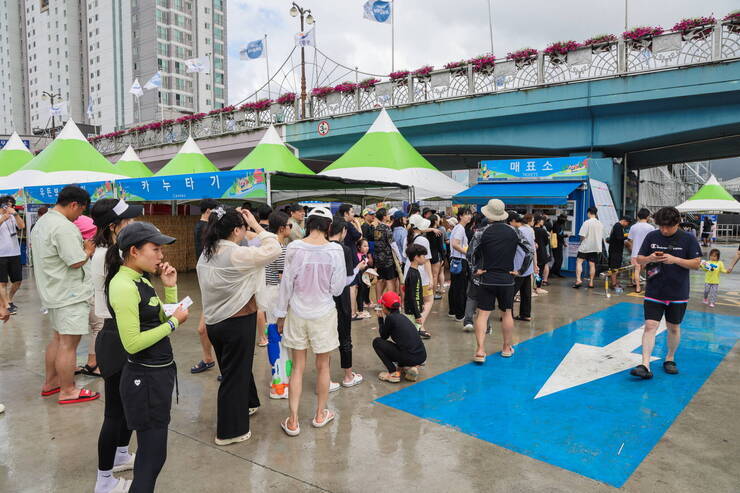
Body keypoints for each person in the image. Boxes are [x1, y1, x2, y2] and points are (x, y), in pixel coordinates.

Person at [106, 221, 188, 491]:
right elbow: (132, 343)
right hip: (144, 379)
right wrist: (174, 324)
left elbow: (159, 318)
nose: (161, 256)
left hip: (158, 374)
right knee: (151, 458)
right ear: (134, 251)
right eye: (155, 249)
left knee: (152, 456)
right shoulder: (122, 285)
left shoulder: (140, 279)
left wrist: (171, 287)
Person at [197, 207, 281, 446]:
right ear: (236, 230)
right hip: (237, 321)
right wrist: (256, 224)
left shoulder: (207, 252)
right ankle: (229, 431)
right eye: (243, 228)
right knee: (232, 375)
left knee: (235, 367)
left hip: (216, 322)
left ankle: (249, 403)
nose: (247, 232)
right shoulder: (236, 254)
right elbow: (273, 249)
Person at [274, 207, 346, 437]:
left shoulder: (294, 247)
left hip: (297, 312)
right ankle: (319, 414)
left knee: (297, 367)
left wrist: (280, 315)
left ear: (308, 223)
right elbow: (337, 288)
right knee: (323, 366)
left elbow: (286, 284)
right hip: (323, 313)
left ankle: (293, 421)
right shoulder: (335, 250)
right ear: (329, 227)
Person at [90, 199, 143, 493]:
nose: (134, 224)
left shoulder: (109, 252)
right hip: (116, 335)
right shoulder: (109, 257)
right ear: (113, 228)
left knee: (127, 406)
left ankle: (122, 453)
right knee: (114, 412)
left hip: (119, 332)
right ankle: (104, 481)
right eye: (128, 221)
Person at [32, 186, 99, 405]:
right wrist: (88, 251)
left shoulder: (42, 223)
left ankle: (51, 383)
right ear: (74, 205)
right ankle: (68, 390)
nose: (80, 215)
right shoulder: (64, 227)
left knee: (58, 339)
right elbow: (75, 260)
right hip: (69, 293)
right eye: (81, 211)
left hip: (52, 290)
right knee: (69, 344)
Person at [630, 207, 701, 380]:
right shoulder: (652, 236)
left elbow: (697, 263)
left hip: (678, 292)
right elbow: (639, 259)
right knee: (650, 326)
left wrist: (675, 259)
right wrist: (649, 259)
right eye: (661, 226)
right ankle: (645, 364)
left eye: (667, 227)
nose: (663, 230)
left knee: (673, 328)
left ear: (677, 223)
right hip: (654, 290)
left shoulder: (688, 239)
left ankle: (670, 358)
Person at [470, 199, 522, 363]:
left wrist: (475, 270)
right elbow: (529, 251)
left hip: (486, 278)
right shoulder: (515, 232)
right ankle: (506, 348)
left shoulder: (481, 232)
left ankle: (480, 351)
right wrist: (519, 270)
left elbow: (469, 253)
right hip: (507, 279)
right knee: (507, 313)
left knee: (483, 314)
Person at [328, 219, 366, 388]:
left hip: (324, 299)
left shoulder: (321, 248)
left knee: (325, 339)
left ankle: (326, 379)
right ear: (343, 231)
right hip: (341, 297)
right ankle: (348, 376)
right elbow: (348, 279)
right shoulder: (344, 250)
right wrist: (359, 267)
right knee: (345, 335)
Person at [191, 199, 219, 375]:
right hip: (208, 282)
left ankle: (215, 361)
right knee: (204, 328)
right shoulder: (204, 228)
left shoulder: (202, 227)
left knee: (209, 328)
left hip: (214, 282)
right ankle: (208, 358)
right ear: (208, 211)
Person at [373, 291, 427, 383]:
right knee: (402, 344)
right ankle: (407, 367)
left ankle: (393, 373)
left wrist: (380, 319)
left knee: (377, 342)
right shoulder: (402, 317)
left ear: (385, 307)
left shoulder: (391, 318)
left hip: (409, 356)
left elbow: (383, 336)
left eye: (382, 305)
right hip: (421, 356)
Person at [405, 215, 435, 337]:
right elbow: (427, 260)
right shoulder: (423, 240)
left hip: (409, 270)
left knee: (414, 300)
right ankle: (419, 325)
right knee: (428, 300)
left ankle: (416, 324)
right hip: (421, 274)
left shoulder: (408, 237)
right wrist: (431, 278)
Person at [0, 195, 25, 315]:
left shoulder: (13, 217)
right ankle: (5, 304)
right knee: (2, 282)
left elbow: (22, 226)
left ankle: (9, 299)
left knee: (18, 280)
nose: (11, 207)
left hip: (15, 252)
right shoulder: (2, 217)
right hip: (1, 254)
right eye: (9, 205)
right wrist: (3, 219)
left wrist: (15, 214)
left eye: (12, 205)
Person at [508, 213, 535, 322]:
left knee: (510, 293)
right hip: (528, 267)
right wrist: (535, 264)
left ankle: (507, 315)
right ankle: (525, 314)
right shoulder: (530, 230)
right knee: (526, 292)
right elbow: (533, 249)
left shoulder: (516, 231)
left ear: (512, 221)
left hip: (517, 266)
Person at [448, 208, 472, 321]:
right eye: (467, 214)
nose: (469, 216)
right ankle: (460, 314)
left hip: (455, 260)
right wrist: (467, 252)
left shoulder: (458, 228)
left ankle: (453, 311)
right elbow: (455, 244)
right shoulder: (460, 229)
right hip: (460, 260)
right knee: (460, 288)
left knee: (455, 287)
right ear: (461, 216)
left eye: (470, 214)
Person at [573, 207, 603, 289]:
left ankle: (578, 280)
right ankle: (591, 282)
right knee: (592, 265)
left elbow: (582, 235)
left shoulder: (587, 222)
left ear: (589, 213)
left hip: (585, 246)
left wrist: (581, 241)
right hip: (595, 247)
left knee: (579, 262)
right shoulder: (600, 223)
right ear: (596, 213)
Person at [372, 208, 399, 300]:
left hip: (379, 259)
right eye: (387, 214)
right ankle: (390, 302)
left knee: (380, 280)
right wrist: (399, 257)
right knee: (390, 280)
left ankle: (378, 302)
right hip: (388, 259)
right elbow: (393, 244)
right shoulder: (387, 228)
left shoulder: (376, 228)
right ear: (384, 217)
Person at [404, 244, 429, 339]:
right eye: (423, 256)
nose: (425, 258)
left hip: (415, 309)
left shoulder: (416, 271)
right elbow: (411, 296)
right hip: (411, 311)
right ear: (416, 257)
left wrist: (421, 303)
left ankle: (418, 332)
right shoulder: (412, 274)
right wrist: (417, 315)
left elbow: (419, 290)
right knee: (412, 336)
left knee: (414, 331)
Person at [627, 208, 653, 293]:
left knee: (637, 270)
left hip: (635, 253)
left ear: (638, 217)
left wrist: (631, 249)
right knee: (649, 271)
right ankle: (649, 287)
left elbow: (629, 241)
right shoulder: (651, 228)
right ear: (648, 217)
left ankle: (638, 287)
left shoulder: (633, 227)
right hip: (647, 254)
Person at [607, 216, 630, 290]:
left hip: (615, 250)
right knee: (615, 267)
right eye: (627, 223)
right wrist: (627, 236)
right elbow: (619, 238)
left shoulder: (617, 226)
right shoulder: (618, 226)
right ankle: (614, 284)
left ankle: (614, 282)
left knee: (615, 267)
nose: (627, 225)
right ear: (624, 221)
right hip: (615, 251)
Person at [355, 238, 373, 315]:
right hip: (360, 277)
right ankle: (360, 310)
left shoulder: (364, 255)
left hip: (365, 276)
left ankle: (366, 302)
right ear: (359, 247)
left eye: (367, 246)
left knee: (366, 289)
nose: (367, 247)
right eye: (364, 246)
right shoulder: (358, 256)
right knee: (360, 292)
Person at [533, 215, 551, 289]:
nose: (543, 221)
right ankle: (538, 287)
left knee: (534, 271)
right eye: (541, 220)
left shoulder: (531, 229)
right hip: (542, 252)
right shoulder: (542, 230)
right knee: (539, 271)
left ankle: (533, 286)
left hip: (534, 252)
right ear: (538, 221)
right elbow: (546, 241)